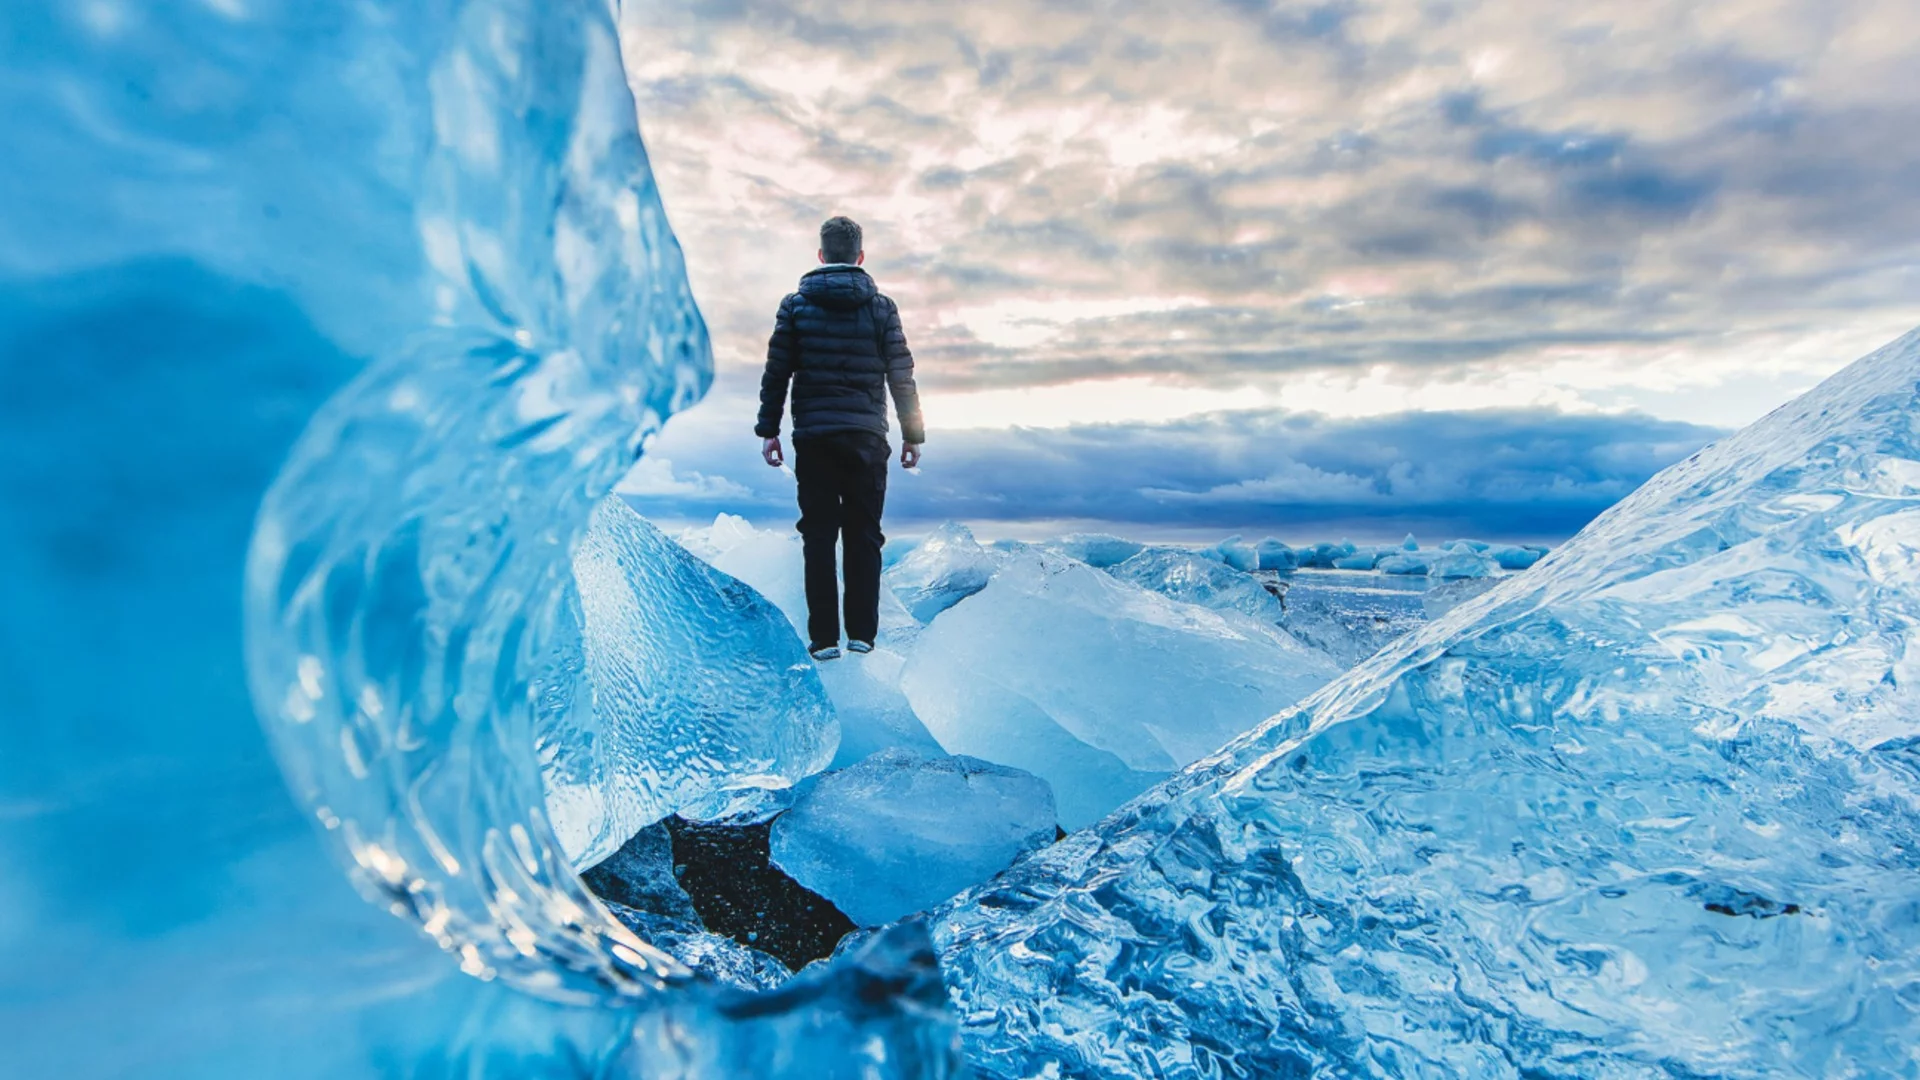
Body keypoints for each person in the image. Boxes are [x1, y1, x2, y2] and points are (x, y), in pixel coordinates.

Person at [756, 215, 925, 661]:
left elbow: (777, 373)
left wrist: (769, 430)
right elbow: (901, 374)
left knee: (818, 536)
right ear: (860, 256)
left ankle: (824, 639)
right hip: (867, 437)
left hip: (814, 437)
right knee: (864, 534)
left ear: (821, 255)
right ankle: (862, 635)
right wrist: (913, 435)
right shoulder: (882, 308)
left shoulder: (795, 306)